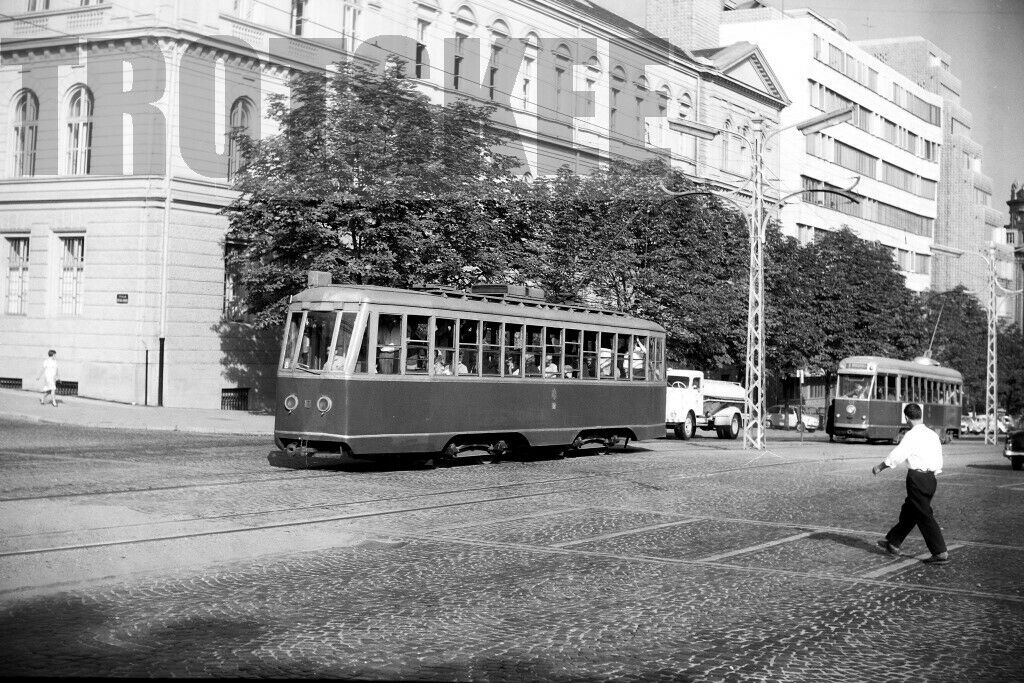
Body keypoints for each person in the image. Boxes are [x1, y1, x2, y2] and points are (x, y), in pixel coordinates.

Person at [871, 403, 950, 565]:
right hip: (931, 478)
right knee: (911, 511)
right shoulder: (932, 435)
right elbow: (938, 458)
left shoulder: (912, 435)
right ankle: (893, 542)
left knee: (923, 515)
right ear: (920, 415)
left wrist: (880, 467)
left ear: (906, 418)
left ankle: (940, 551)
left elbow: (897, 455)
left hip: (917, 479)